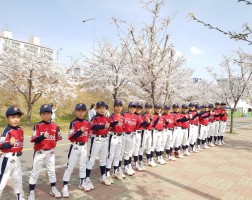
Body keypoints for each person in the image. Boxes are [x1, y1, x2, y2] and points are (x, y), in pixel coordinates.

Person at [28, 104, 62, 200]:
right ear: (40, 115)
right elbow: (35, 139)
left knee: (51, 171)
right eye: (44, 113)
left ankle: (53, 188)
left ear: (51, 114)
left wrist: (51, 145)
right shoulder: (37, 125)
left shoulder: (55, 126)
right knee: (35, 172)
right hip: (39, 152)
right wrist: (43, 136)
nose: (46, 115)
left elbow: (58, 138)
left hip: (50, 153)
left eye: (48, 113)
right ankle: (31, 192)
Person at [85, 101, 118, 187]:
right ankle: (86, 178)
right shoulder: (94, 118)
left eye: (103, 108)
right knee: (92, 159)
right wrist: (104, 126)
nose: (102, 110)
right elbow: (94, 126)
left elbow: (109, 125)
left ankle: (103, 176)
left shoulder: (106, 118)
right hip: (97, 139)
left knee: (103, 159)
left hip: (105, 139)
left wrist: (116, 122)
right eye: (100, 108)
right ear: (96, 109)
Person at [62, 103, 91, 197]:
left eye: (82, 110)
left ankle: (82, 183)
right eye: (78, 110)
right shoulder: (73, 122)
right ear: (75, 112)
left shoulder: (87, 122)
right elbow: (71, 136)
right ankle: (65, 187)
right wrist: (79, 131)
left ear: (85, 112)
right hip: (75, 146)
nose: (80, 112)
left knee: (83, 165)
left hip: (84, 147)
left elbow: (88, 134)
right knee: (70, 167)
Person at [0, 107, 25, 200]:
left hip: (17, 158)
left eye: (18, 117)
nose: (16, 119)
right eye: (13, 117)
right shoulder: (7, 131)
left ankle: (20, 197)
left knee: (18, 179)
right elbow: (1, 145)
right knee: (2, 181)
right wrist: (9, 144)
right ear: (7, 118)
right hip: (7, 158)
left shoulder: (20, 129)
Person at [106, 100, 125, 181]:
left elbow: (123, 127)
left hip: (120, 136)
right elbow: (109, 127)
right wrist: (116, 121)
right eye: (117, 106)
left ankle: (115, 171)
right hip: (113, 136)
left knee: (117, 155)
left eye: (120, 106)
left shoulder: (123, 117)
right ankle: (107, 172)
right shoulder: (111, 117)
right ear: (114, 107)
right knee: (111, 155)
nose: (118, 108)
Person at [123, 102, 138, 176]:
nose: (132, 109)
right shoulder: (124, 115)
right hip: (125, 135)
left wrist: (147, 122)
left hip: (132, 135)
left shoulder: (136, 117)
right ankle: (126, 167)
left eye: (134, 108)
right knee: (126, 152)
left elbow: (139, 125)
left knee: (130, 151)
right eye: (131, 107)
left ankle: (128, 165)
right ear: (128, 108)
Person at [138, 103, 152, 169]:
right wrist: (147, 122)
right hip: (144, 131)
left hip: (149, 131)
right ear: (145, 108)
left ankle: (148, 160)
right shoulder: (143, 115)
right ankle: (140, 161)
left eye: (150, 107)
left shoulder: (151, 115)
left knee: (149, 146)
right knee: (142, 147)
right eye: (147, 107)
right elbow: (143, 125)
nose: (148, 109)